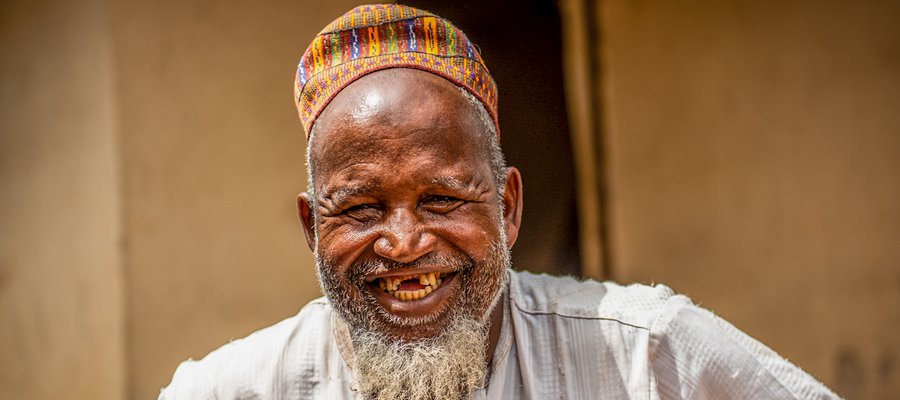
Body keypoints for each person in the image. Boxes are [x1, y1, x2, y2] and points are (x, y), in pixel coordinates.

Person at [159, 4, 839, 399]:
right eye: (362, 208)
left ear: (508, 208)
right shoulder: (229, 391)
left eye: (443, 198)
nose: (404, 243)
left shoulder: (649, 361)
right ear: (312, 227)